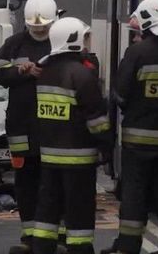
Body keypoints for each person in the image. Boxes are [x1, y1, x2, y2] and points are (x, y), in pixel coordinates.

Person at [102, 0, 158, 254]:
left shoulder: (137, 53)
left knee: (134, 195)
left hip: (137, 143)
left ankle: (128, 245)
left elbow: (120, 94)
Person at [32, 17, 114, 254]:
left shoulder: (45, 74)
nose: (88, 44)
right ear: (74, 41)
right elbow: (96, 120)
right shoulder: (82, 75)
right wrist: (106, 145)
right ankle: (79, 249)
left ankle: (42, 246)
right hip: (78, 159)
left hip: (49, 157)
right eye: (85, 38)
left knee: (48, 207)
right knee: (78, 208)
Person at [0, 0, 60, 254]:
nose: (39, 31)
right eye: (34, 27)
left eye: (44, 27)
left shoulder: (59, 41)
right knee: (26, 184)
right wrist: (20, 71)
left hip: (53, 128)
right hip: (21, 128)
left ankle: (55, 236)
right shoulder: (14, 44)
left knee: (53, 184)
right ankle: (29, 235)